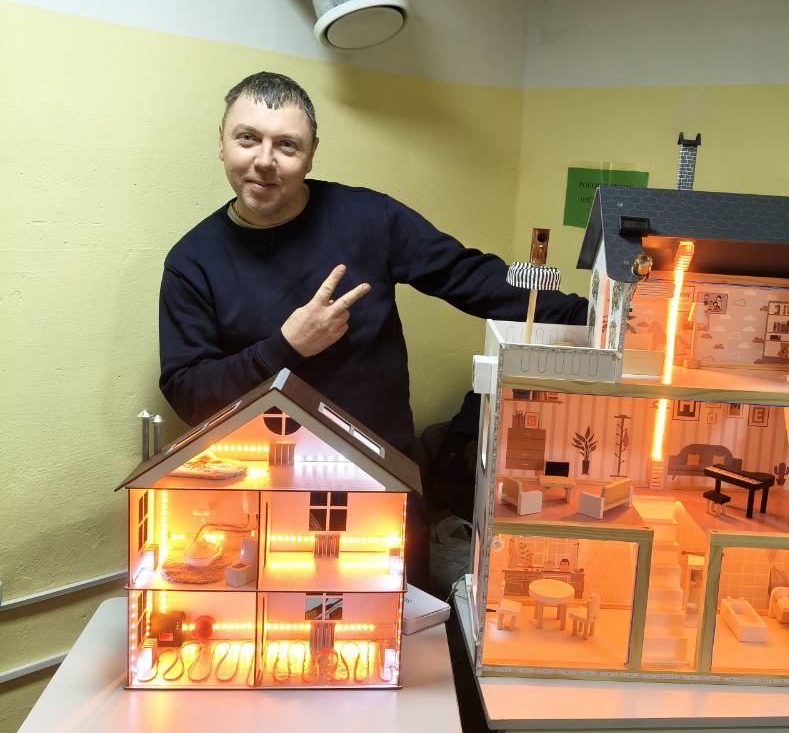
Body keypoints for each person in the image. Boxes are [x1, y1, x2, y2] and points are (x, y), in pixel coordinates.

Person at [159, 71, 587, 585]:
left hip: (383, 478)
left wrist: (593, 316)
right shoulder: (192, 261)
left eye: (287, 145)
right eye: (247, 138)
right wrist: (285, 347)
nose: (265, 161)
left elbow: (472, 276)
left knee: (403, 624)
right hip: (262, 501)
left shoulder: (369, 217)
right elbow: (189, 394)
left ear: (311, 154)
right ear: (222, 142)